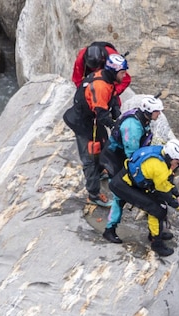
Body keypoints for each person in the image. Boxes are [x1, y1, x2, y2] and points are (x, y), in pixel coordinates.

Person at [103, 138, 179, 257]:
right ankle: (156, 242)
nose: (178, 164)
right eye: (177, 162)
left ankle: (155, 234)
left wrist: (177, 196)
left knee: (157, 205)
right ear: (171, 158)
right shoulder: (159, 168)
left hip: (128, 179)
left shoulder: (161, 153)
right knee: (158, 209)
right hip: (123, 185)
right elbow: (164, 192)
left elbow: (168, 182)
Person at [63, 53, 130, 207]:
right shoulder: (100, 86)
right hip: (83, 123)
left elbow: (112, 100)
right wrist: (116, 126)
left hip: (91, 119)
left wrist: (118, 116)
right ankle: (93, 194)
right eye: (122, 73)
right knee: (90, 159)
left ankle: (100, 171)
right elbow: (102, 115)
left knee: (103, 144)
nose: (124, 75)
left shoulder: (107, 79)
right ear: (114, 72)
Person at [101, 95, 164, 178]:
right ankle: (106, 173)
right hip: (115, 156)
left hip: (121, 151)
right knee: (118, 180)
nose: (159, 114)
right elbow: (132, 154)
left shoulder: (142, 118)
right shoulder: (133, 127)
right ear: (149, 112)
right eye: (157, 111)